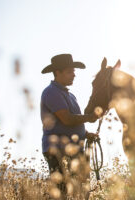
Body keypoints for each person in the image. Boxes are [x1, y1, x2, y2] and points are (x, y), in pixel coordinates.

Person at [40, 54, 98, 199]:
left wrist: (85, 133)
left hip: (73, 149)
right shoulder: (51, 92)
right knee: (62, 192)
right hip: (58, 150)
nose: (74, 75)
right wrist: (90, 117)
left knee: (81, 191)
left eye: (74, 71)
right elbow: (66, 119)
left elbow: (72, 122)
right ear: (58, 73)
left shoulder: (69, 95)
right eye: (70, 71)